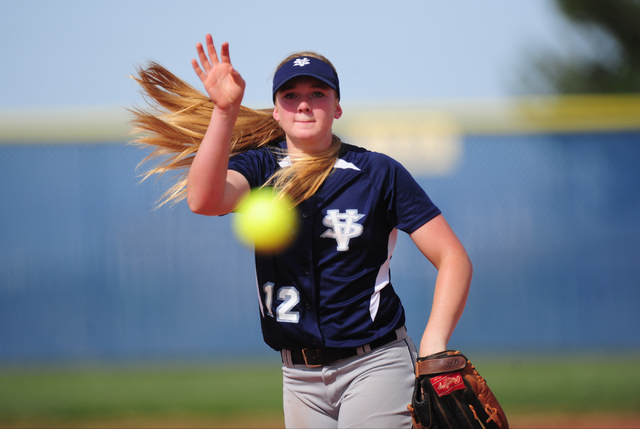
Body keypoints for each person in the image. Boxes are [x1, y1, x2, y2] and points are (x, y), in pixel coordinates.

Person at [131, 34, 473, 428]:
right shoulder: (259, 168)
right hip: (298, 378)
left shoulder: (378, 173)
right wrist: (224, 111)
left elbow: (453, 258)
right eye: (290, 95)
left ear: (337, 106)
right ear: (276, 111)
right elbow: (204, 201)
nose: (305, 103)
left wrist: (432, 344)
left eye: (318, 92)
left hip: (374, 363)